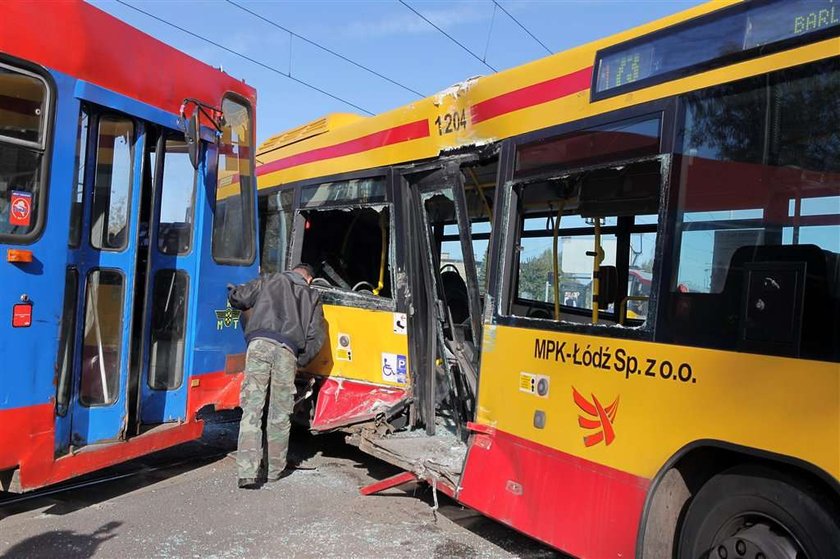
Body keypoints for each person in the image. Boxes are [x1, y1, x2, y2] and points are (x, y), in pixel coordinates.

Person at [227, 263, 326, 489]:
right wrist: (298, 360)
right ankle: (274, 470)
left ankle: (247, 472)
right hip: (287, 351)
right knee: (280, 413)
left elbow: (240, 299)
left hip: (259, 344)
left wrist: (233, 290)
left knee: (252, 408)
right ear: (309, 279)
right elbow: (316, 336)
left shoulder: (270, 279)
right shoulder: (312, 296)